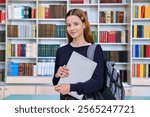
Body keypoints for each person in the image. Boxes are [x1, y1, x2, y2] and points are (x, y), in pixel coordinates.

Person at [52, 8, 104, 100]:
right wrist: (57, 75)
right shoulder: (61, 51)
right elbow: (56, 83)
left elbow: (98, 83)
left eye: (76, 24)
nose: (72, 28)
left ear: (84, 25)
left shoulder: (94, 50)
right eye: (68, 25)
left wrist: (71, 88)